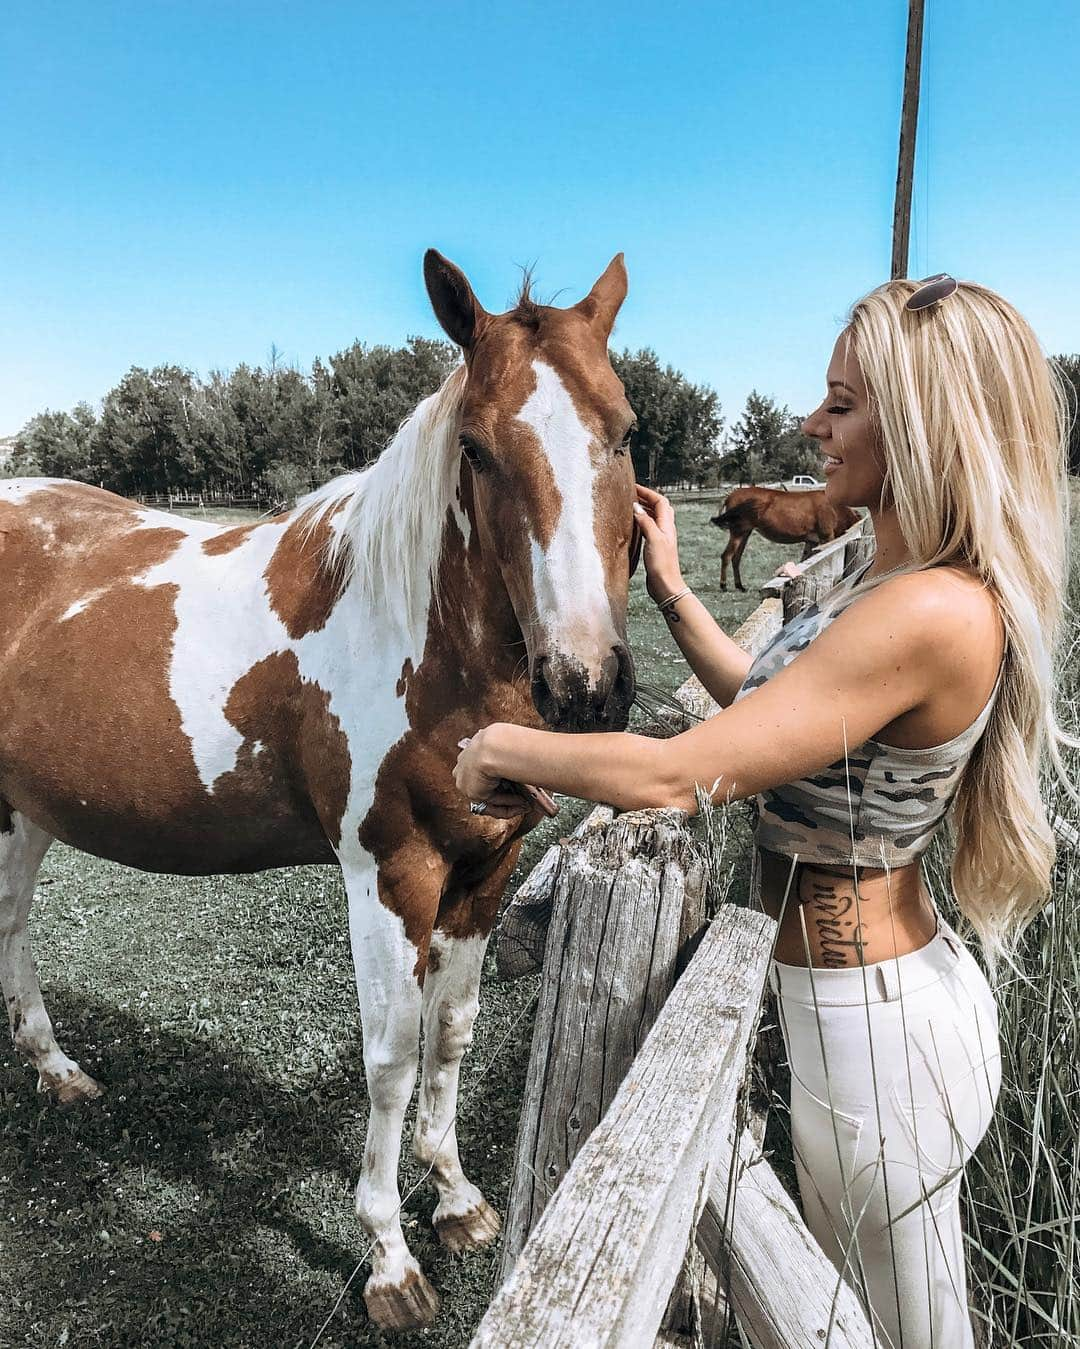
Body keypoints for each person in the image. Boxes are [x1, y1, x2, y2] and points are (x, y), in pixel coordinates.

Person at [453, 274, 1076, 1347]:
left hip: (875, 1030)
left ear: (925, 422)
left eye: (841, 404)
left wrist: (496, 743)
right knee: (849, 1308)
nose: (808, 423)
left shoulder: (931, 607)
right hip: (855, 1006)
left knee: (897, 1329)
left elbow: (682, 772)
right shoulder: (891, 580)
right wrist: (676, 595)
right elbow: (784, 717)